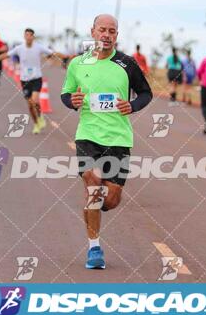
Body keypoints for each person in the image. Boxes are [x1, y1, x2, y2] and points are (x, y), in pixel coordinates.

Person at [60, 14, 152, 269]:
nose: (107, 35)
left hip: (119, 138)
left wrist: (131, 106)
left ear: (116, 36)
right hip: (88, 134)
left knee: (109, 199)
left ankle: (98, 206)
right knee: (92, 180)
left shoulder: (127, 64)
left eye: (112, 31)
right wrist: (72, 101)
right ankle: (94, 248)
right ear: (93, 32)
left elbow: (146, 93)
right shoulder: (78, 63)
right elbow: (66, 93)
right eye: (102, 29)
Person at [0, 28, 65, 134]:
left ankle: (40, 117)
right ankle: (37, 122)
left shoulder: (39, 47)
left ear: (33, 37)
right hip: (25, 80)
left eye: (30, 35)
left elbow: (53, 53)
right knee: (30, 105)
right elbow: (6, 55)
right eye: (26, 35)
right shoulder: (19, 48)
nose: (28, 37)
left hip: (37, 78)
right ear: (24, 36)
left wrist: (67, 56)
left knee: (34, 101)